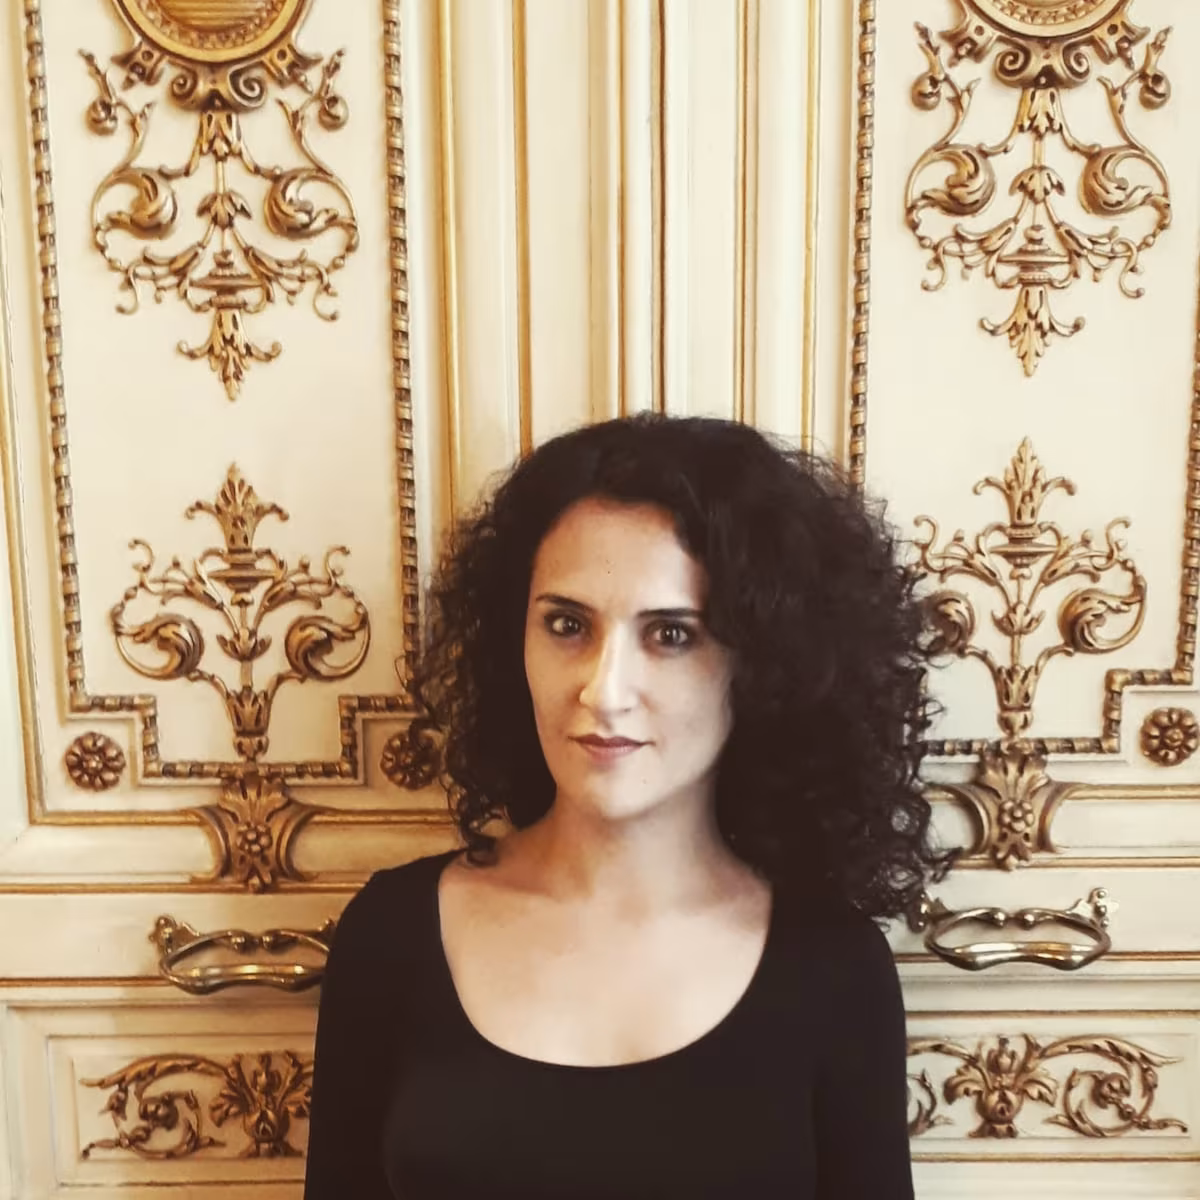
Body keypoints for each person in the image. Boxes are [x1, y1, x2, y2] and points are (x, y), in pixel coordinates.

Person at [303, 413, 952, 1199]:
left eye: (671, 635)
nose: (603, 691)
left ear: (762, 664)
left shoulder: (834, 968)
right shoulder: (392, 935)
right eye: (567, 625)